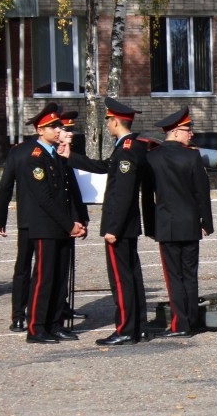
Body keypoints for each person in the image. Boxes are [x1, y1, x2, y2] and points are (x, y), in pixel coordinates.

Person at [64, 97, 154, 346]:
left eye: (108, 121)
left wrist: (113, 227)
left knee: (121, 280)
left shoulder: (126, 150)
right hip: (127, 224)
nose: (107, 125)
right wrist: (71, 157)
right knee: (132, 276)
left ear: (115, 122)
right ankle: (138, 327)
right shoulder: (128, 147)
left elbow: (122, 194)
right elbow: (105, 167)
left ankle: (125, 329)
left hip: (120, 225)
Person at [19, 103, 86, 343]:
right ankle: (36, 328)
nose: (58, 130)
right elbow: (45, 198)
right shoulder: (35, 157)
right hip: (46, 226)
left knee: (59, 277)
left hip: (63, 225)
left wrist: (77, 220)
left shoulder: (57, 154)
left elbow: (67, 192)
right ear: (40, 131)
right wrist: (69, 224)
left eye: (59, 126)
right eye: (53, 127)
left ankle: (55, 324)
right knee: (44, 279)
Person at [147, 106, 214, 338]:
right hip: (190, 222)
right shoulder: (192, 156)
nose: (191, 134)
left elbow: (147, 196)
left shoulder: (152, 157)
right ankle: (191, 320)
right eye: (187, 130)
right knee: (190, 274)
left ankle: (180, 324)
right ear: (175, 132)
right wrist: (207, 222)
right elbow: (202, 192)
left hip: (166, 224)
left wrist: (150, 226)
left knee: (174, 277)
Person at [0, 117, 40, 333]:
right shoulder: (52, 151)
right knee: (45, 268)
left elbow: (5, 188)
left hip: (26, 219)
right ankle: (41, 314)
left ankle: (19, 317)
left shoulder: (18, 151)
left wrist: (1, 219)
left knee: (22, 267)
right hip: (49, 221)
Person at [56, 110, 90, 325]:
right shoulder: (52, 157)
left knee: (64, 268)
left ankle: (63, 306)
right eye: (65, 129)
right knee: (52, 270)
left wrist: (82, 217)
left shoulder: (67, 155)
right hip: (57, 221)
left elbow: (74, 191)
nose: (70, 133)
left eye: (71, 129)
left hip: (70, 219)